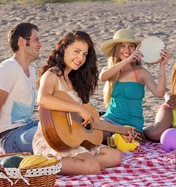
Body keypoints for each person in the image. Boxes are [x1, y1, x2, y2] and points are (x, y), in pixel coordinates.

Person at [33, 31, 126, 175]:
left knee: (115, 156)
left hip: (73, 137)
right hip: (52, 138)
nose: (80, 58)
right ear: (63, 48)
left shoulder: (74, 79)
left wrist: (121, 130)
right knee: (92, 167)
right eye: (76, 51)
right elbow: (43, 99)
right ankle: (46, 164)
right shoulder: (52, 74)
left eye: (84, 54)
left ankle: (80, 164)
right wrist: (78, 109)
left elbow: (82, 121)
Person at [0, 22, 42, 160]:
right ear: (21, 41)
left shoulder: (31, 70)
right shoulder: (7, 68)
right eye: (36, 39)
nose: (40, 44)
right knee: (49, 136)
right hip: (10, 137)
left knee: (58, 127)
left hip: (27, 127)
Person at [99, 29, 169, 133]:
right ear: (116, 50)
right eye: (122, 46)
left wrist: (162, 66)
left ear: (136, 49)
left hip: (131, 126)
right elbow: (102, 77)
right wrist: (127, 61)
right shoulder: (110, 70)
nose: (127, 50)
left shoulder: (141, 73)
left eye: (131, 46)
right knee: (96, 131)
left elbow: (159, 93)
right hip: (110, 120)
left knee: (118, 139)